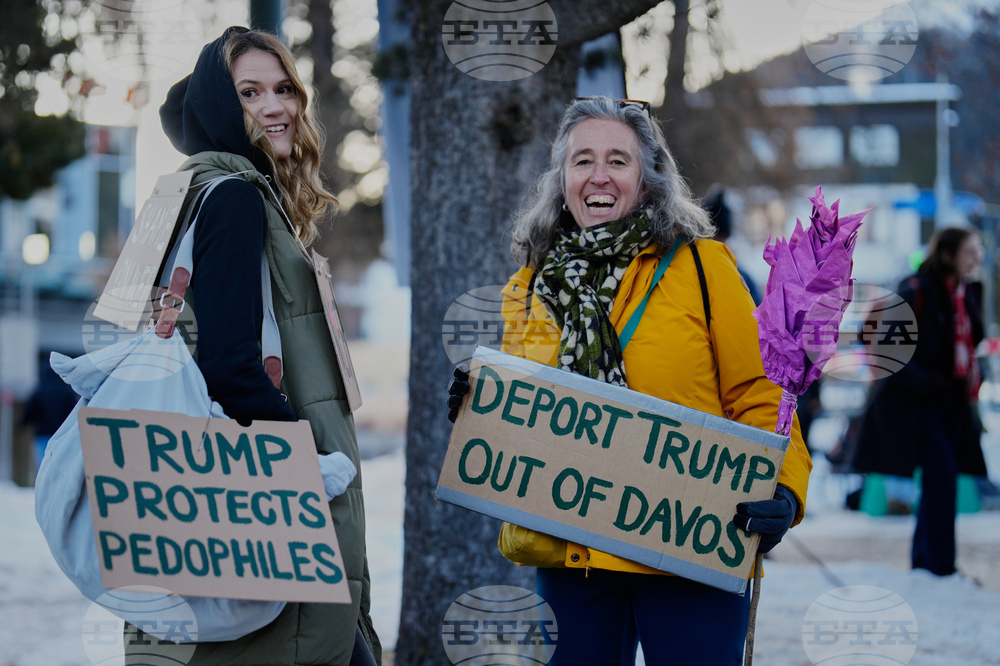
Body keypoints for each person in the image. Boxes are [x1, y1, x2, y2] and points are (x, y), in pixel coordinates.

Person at [448, 97, 812, 665]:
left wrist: (784, 489)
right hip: (573, 553)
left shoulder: (702, 267)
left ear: (647, 181)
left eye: (618, 160)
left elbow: (760, 392)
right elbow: (532, 413)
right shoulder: (531, 284)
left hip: (691, 542)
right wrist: (484, 405)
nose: (599, 175)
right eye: (582, 161)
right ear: (562, 180)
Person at [154, 27, 380, 664]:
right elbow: (228, 365)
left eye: (285, 89)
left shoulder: (191, 191)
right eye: (250, 92)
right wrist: (309, 462)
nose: (276, 106)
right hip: (270, 499)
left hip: (227, 494)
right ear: (220, 107)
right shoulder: (234, 199)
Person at [852, 227, 988, 576]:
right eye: (970, 251)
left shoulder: (966, 293)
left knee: (941, 478)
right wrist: (927, 383)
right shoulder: (916, 290)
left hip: (954, 403)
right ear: (947, 255)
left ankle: (927, 561)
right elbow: (886, 346)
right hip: (920, 402)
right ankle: (939, 566)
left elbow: (971, 342)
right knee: (942, 476)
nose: (977, 258)